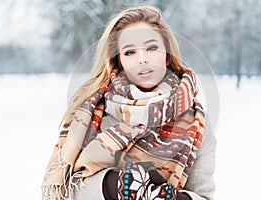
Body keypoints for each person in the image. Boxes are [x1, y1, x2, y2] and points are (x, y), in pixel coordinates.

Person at [42, 5, 216, 200]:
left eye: (151, 48)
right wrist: (112, 185)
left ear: (167, 55)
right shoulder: (94, 112)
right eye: (129, 52)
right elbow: (67, 190)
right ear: (119, 61)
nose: (142, 59)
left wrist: (168, 197)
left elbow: (203, 195)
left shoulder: (195, 122)